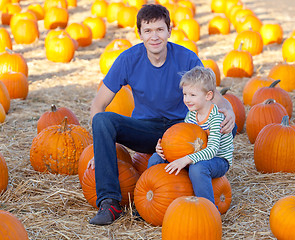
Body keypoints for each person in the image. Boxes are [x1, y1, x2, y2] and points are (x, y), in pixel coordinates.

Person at [88, 4, 236, 225]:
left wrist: (230, 111)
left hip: (182, 131)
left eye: (159, 29)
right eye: (148, 31)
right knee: (102, 121)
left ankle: (196, 195)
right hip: (146, 130)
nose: (154, 36)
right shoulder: (128, 59)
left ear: (169, 31)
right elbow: (98, 105)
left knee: (227, 126)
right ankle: (110, 202)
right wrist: (100, 148)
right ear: (140, 34)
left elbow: (210, 94)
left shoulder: (186, 58)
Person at [148, 66, 234, 209]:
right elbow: (181, 141)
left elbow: (212, 150)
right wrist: (164, 148)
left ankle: (208, 210)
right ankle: (153, 199)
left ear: (208, 96)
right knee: (156, 158)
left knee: (197, 169)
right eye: (185, 94)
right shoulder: (191, 115)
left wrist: (185, 160)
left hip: (217, 160)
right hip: (194, 155)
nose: (187, 99)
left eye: (192, 95)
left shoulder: (215, 118)